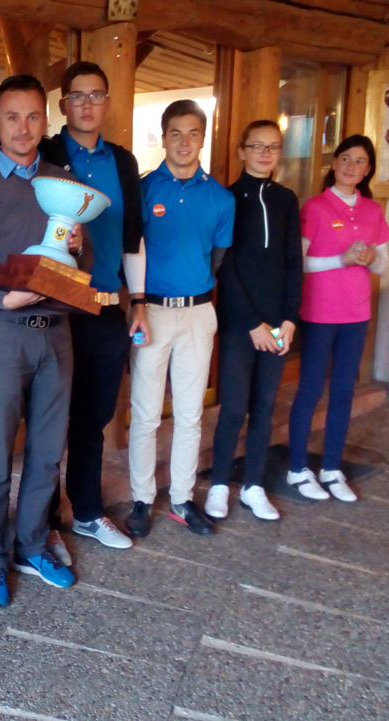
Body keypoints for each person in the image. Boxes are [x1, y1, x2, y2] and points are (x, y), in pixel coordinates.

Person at [0, 74, 94, 607]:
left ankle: (32, 545)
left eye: (33, 116)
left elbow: (86, 266)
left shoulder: (65, 185)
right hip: (3, 334)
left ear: (45, 120)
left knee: (47, 451)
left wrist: (79, 245)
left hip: (57, 333)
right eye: (12, 116)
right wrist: (0, 300)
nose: (23, 127)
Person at [37, 61, 143, 552]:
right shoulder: (46, 153)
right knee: (47, 417)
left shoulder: (123, 162)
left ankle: (85, 511)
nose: (87, 105)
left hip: (104, 306)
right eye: (77, 96)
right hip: (55, 304)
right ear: (63, 105)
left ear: (107, 102)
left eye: (96, 95)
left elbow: (131, 238)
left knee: (93, 417)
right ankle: (41, 523)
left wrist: (138, 301)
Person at [124, 100, 231, 539]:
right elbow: (131, 250)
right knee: (146, 412)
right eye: (176, 133)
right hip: (151, 312)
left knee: (190, 413)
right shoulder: (144, 190)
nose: (184, 142)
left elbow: (217, 257)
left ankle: (183, 499)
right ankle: (141, 498)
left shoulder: (221, 198)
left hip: (199, 313)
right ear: (164, 137)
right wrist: (139, 302)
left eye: (193, 134)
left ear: (203, 138)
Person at [207, 120, 309, 523]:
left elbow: (293, 262)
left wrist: (290, 319)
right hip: (240, 324)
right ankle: (218, 484)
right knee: (233, 407)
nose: (265, 154)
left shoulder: (286, 199)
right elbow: (225, 267)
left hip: (278, 322)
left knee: (265, 406)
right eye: (257, 146)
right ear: (241, 151)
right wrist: (252, 324)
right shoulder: (228, 199)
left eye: (273, 147)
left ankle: (253, 486)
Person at [287, 134, 389, 503]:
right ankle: (297, 467)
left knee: (344, 390)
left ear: (367, 170)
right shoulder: (315, 207)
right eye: (345, 158)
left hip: (356, 312)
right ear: (334, 164)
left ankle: (331, 468)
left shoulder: (372, 211)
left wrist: (370, 260)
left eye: (360, 161)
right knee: (311, 389)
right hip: (320, 311)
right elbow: (299, 262)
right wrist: (341, 260)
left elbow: (384, 264)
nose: (351, 166)